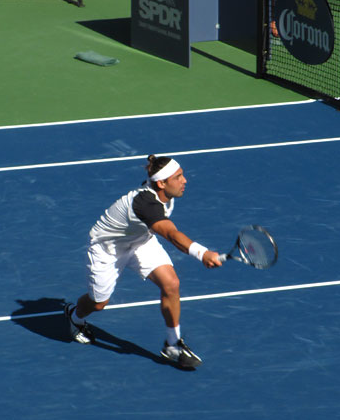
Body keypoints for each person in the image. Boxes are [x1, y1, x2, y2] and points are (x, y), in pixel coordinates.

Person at [65, 155, 222, 368]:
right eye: (178, 177)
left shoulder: (162, 193)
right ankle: (74, 317)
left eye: (182, 175)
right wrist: (202, 253)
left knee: (171, 283)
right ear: (161, 183)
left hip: (140, 241)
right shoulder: (146, 204)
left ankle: (173, 345)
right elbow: (171, 234)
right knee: (98, 303)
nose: (185, 180)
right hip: (107, 250)